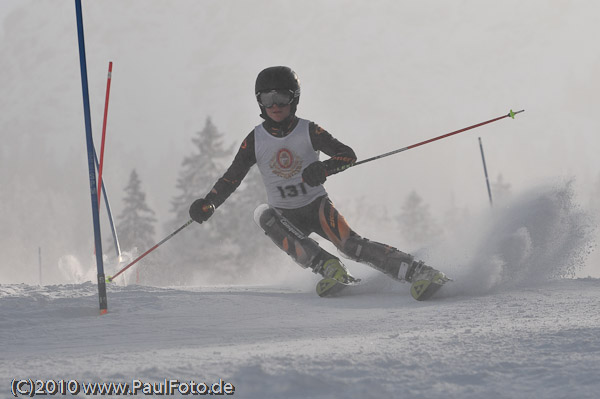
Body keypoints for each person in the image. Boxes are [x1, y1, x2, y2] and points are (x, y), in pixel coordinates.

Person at [189, 66, 445, 297]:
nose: (275, 105)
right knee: (262, 214)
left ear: (294, 99)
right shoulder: (255, 140)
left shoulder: (308, 130)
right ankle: (328, 266)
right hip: (284, 215)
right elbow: (232, 177)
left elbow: (347, 155)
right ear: (260, 102)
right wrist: (209, 203)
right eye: (267, 99)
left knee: (351, 246)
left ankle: (419, 271)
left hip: (316, 206)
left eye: (282, 97)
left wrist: (324, 168)